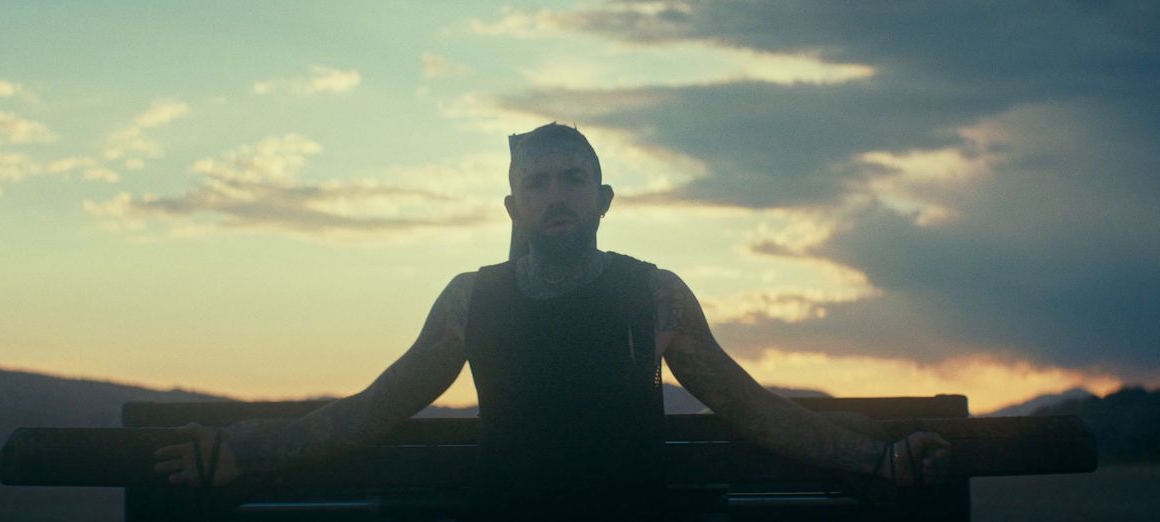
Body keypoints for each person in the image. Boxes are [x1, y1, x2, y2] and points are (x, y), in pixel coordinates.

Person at [153, 123, 950, 518]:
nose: (556, 195)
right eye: (537, 184)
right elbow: (376, 408)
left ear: (603, 200)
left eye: (574, 179)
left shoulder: (654, 294)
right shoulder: (473, 300)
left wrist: (878, 460)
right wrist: (240, 453)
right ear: (512, 205)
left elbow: (748, 407)